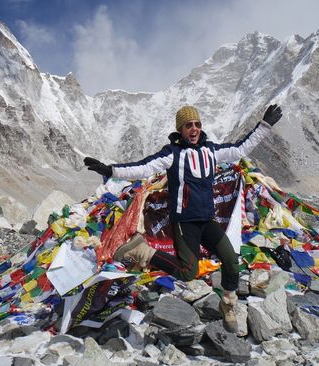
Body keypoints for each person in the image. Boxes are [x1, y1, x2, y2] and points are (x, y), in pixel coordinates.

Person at [84, 104, 282, 332]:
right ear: (180, 129)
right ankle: (143, 251)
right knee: (188, 272)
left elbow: (240, 150)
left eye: (197, 124)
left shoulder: (211, 151)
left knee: (231, 259)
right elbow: (143, 167)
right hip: (184, 223)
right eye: (189, 126)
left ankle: (228, 303)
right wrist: (111, 170)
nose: (194, 129)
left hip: (207, 221)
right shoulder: (172, 154)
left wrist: (264, 126)